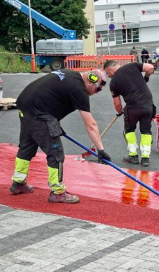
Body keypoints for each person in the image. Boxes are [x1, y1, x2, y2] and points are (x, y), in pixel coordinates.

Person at [9, 68, 111, 204]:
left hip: (25, 108)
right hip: (39, 114)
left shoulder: (69, 73)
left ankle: (18, 183)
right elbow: (91, 125)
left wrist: (54, 123)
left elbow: (52, 95)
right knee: (56, 153)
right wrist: (101, 150)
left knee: (27, 147)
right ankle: (58, 192)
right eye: (97, 89)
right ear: (91, 80)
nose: (96, 93)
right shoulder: (79, 90)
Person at [103, 59, 155, 167]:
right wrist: (146, 78)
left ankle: (133, 156)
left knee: (129, 130)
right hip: (148, 105)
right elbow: (150, 68)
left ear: (110, 69)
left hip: (132, 108)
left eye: (107, 73)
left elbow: (117, 104)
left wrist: (120, 111)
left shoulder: (113, 83)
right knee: (146, 131)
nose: (108, 76)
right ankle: (145, 159)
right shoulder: (133, 66)